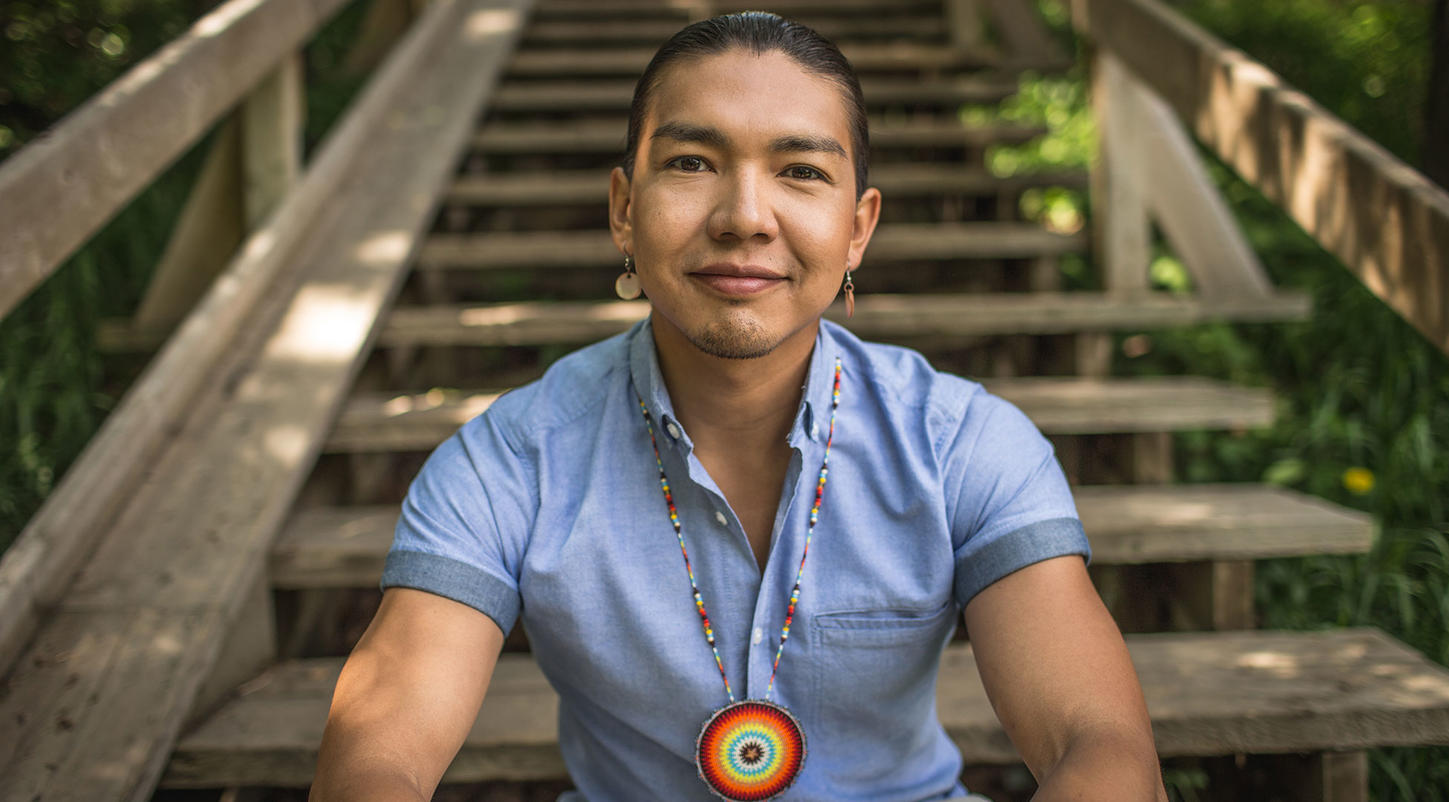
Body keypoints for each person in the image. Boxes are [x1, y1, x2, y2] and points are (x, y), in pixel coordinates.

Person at [311, 12, 1166, 802]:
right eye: (691, 163)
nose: (745, 217)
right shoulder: (509, 461)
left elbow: (1098, 745)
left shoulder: (964, 445)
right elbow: (379, 757)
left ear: (858, 226)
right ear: (622, 209)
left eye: (800, 171)